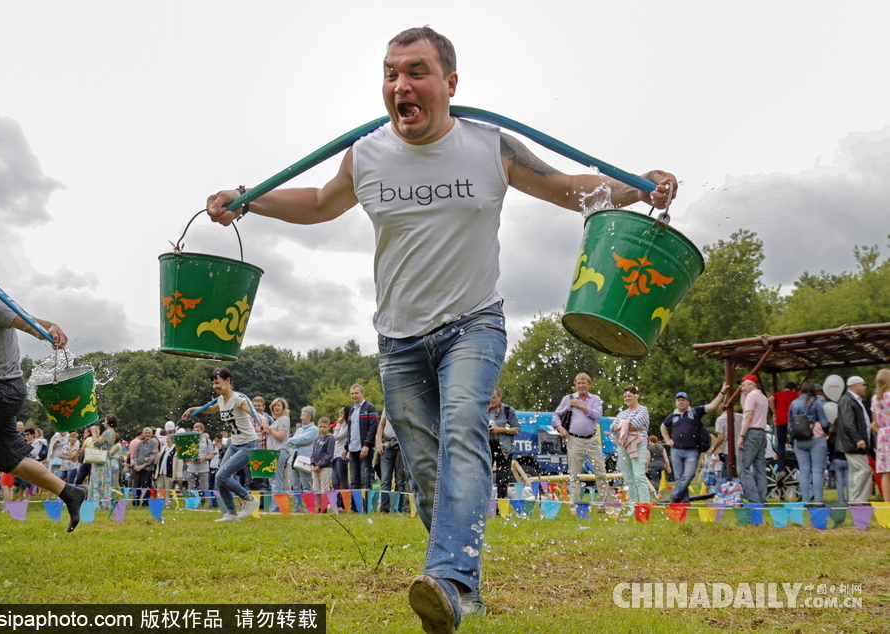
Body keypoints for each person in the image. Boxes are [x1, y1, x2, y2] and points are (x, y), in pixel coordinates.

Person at [204, 26, 677, 633]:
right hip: (397, 337)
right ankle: (461, 585)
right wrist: (250, 199)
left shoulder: (490, 147)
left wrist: (638, 189)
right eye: (391, 73)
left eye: (417, 72)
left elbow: (567, 189)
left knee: (461, 432)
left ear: (450, 84)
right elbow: (322, 203)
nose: (401, 84)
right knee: (425, 466)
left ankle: (448, 579)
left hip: (473, 322)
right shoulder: (367, 153)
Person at [0, 293, 85, 531]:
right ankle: (70, 493)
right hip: (1, 391)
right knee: (9, 459)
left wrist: (50, 327)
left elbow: (26, 321)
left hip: (0, 391)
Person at [182, 368, 261, 522]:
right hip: (234, 444)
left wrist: (262, 420)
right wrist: (192, 409)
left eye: (217, 382)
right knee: (220, 479)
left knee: (221, 475)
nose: (214, 386)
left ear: (228, 381)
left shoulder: (238, 399)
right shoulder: (220, 400)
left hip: (249, 444)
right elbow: (211, 410)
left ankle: (249, 500)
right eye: (213, 383)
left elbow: (251, 411)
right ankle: (232, 513)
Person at [659, 384, 728, 503]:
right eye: (679, 400)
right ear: (676, 402)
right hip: (675, 450)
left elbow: (712, 406)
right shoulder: (672, 416)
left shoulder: (695, 412)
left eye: (683, 400)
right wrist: (667, 440)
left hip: (692, 450)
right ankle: (684, 501)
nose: (681, 402)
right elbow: (663, 427)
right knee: (679, 478)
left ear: (688, 402)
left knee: (689, 476)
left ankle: (675, 495)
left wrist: (722, 392)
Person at [553, 373, 613, 509]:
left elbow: (597, 415)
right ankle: (574, 505)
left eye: (583, 383)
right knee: (574, 473)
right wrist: (561, 428)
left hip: (592, 439)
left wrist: (581, 406)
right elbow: (556, 415)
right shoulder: (568, 399)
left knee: (600, 471)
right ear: (575, 385)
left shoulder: (595, 399)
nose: (581, 385)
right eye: (578, 383)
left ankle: (605, 504)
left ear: (589, 384)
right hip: (574, 439)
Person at [788, 382, 830, 506]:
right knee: (817, 470)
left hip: (799, 440)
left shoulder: (793, 403)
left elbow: (789, 424)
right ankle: (818, 501)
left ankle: (805, 501)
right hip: (816, 438)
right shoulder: (816, 403)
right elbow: (824, 423)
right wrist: (826, 431)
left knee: (804, 471)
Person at [836, 375, 873, 505]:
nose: (865, 387)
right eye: (863, 384)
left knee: (855, 472)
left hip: (853, 442)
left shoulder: (853, 400)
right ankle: (857, 500)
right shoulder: (847, 400)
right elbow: (848, 422)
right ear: (855, 385)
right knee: (864, 469)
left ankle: (856, 500)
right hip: (853, 443)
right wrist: (858, 439)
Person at [611, 385, 651, 504]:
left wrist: (621, 425)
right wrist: (625, 425)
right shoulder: (621, 413)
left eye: (629, 396)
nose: (627, 398)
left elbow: (636, 425)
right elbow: (612, 426)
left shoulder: (643, 410)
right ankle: (632, 505)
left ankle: (644, 505)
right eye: (625, 396)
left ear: (636, 396)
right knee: (628, 478)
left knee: (639, 476)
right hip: (622, 445)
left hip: (638, 444)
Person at [737, 375, 770, 504]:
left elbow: (748, 417)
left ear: (751, 384)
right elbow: (746, 408)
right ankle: (762, 499)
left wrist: (741, 436)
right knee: (760, 468)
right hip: (762, 433)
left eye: (744, 385)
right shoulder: (762, 397)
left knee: (743, 467)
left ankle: (753, 499)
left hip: (752, 433)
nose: (742, 388)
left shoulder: (751, 396)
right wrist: (742, 394)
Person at [344, 385, 379, 492]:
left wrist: (367, 445)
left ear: (362, 393)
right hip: (353, 448)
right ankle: (356, 506)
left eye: (356, 393)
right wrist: (346, 447)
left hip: (364, 449)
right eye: (352, 393)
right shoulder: (351, 411)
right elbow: (350, 430)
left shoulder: (370, 408)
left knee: (365, 478)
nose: (354, 395)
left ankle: (366, 507)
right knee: (354, 479)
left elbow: (373, 427)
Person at [487, 387, 519, 500]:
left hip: (504, 447)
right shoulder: (483, 409)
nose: (491, 400)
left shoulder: (508, 410)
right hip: (487, 446)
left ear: (500, 397)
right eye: (489, 397)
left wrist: (500, 430)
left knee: (503, 478)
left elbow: (517, 429)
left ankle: (501, 506)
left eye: (494, 398)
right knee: (484, 476)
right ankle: (484, 504)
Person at [376, 410, 409, 513]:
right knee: (385, 480)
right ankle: (384, 508)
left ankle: (397, 509)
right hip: (387, 445)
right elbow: (381, 424)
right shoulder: (387, 406)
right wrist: (379, 442)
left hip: (401, 446)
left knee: (400, 480)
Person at [262, 398, 291, 511]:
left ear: (284, 407)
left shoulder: (284, 419)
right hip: (272, 451)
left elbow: (280, 436)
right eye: (274, 406)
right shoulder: (275, 421)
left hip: (279, 451)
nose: (276, 407)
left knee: (275, 480)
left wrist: (269, 430)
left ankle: (276, 507)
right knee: (272, 480)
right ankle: (276, 506)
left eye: (279, 405)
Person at [288, 406, 319, 512]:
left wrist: (298, 441)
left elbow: (302, 439)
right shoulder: (300, 429)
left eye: (302, 415)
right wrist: (301, 443)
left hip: (304, 460)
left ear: (309, 417)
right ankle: (297, 508)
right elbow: (291, 442)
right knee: (295, 486)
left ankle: (308, 507)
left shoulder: (314, 430)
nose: (300, 418)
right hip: (293, 458)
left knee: (306, 485)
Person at [88, 414, 121, 509]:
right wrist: (98, 434)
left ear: (108, 422)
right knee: (104, 482)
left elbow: (96, 443)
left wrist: (94, 433)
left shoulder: (107, 432)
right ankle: (104, 502)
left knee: (97, 481)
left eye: (105, 420)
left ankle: (97, 503)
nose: (104, 422)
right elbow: (103, 442)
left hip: (101, 460)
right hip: (106, 460)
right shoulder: (112, 432)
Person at [768, 381, 799, 476]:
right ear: (794, 389)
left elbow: (769, 400)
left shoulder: (778, 394)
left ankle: (781, 469)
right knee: (795, 443)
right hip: (791, 421)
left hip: (780, 421)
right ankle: (799, 464)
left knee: (780, 445)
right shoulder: (795, 394)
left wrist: (775, 412)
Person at [871, 368, 890, 503]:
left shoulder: (875, 399)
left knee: (886, 473)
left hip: (883, 436)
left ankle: (888, 505)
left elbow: (874, 423)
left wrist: (882, 432)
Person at [184, 421, 216, 496]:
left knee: (203, 489)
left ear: (202, 430)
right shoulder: (190, 441)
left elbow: (211, 454)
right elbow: (185, 455)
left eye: (198, 430)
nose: (196, 432)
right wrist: (192, 459)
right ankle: (192, 504)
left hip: (203, 469)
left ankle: (201, 503)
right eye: (195, 430)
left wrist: (203, 458)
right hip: (191, 468)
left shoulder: (207, 441)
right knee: (191, 489)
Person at [311, 417, 336, 507]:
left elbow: (329, 455)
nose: (322, 429)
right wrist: (312, 464)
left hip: (325, 467)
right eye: (320, 427)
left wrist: (320, 465)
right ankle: (319, 506)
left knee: (324, 488)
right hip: (315, 467)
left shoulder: (330, 439)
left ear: (329, 427)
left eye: (324, 427)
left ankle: (324, 507)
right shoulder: (317, 439)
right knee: (316, 488)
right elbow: (313, 453)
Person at [131, 427, 159, 506]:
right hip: (137, 468)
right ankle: (135, 501)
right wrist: (136, 465)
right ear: (143, 434)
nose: (147, 434)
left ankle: (145, 502)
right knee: (136, 485)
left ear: (151, 434)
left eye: (148, 433)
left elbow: (152, 457)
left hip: (147, 469)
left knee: (145, 485)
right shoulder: (139, 443)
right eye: (145, 433)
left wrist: (143, 466)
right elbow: (135, 455)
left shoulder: (154, 444)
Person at [331, 405, 352, 493]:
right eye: (340, 411)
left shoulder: (347, 425)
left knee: (343, 480)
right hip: (335, 454)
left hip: (342, 454)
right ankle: (338, 503)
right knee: (335, 481)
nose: (340, 413)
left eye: (342, 412)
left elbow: (336, 436)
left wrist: (338, 424)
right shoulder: (341, 424)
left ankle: (346, 502)